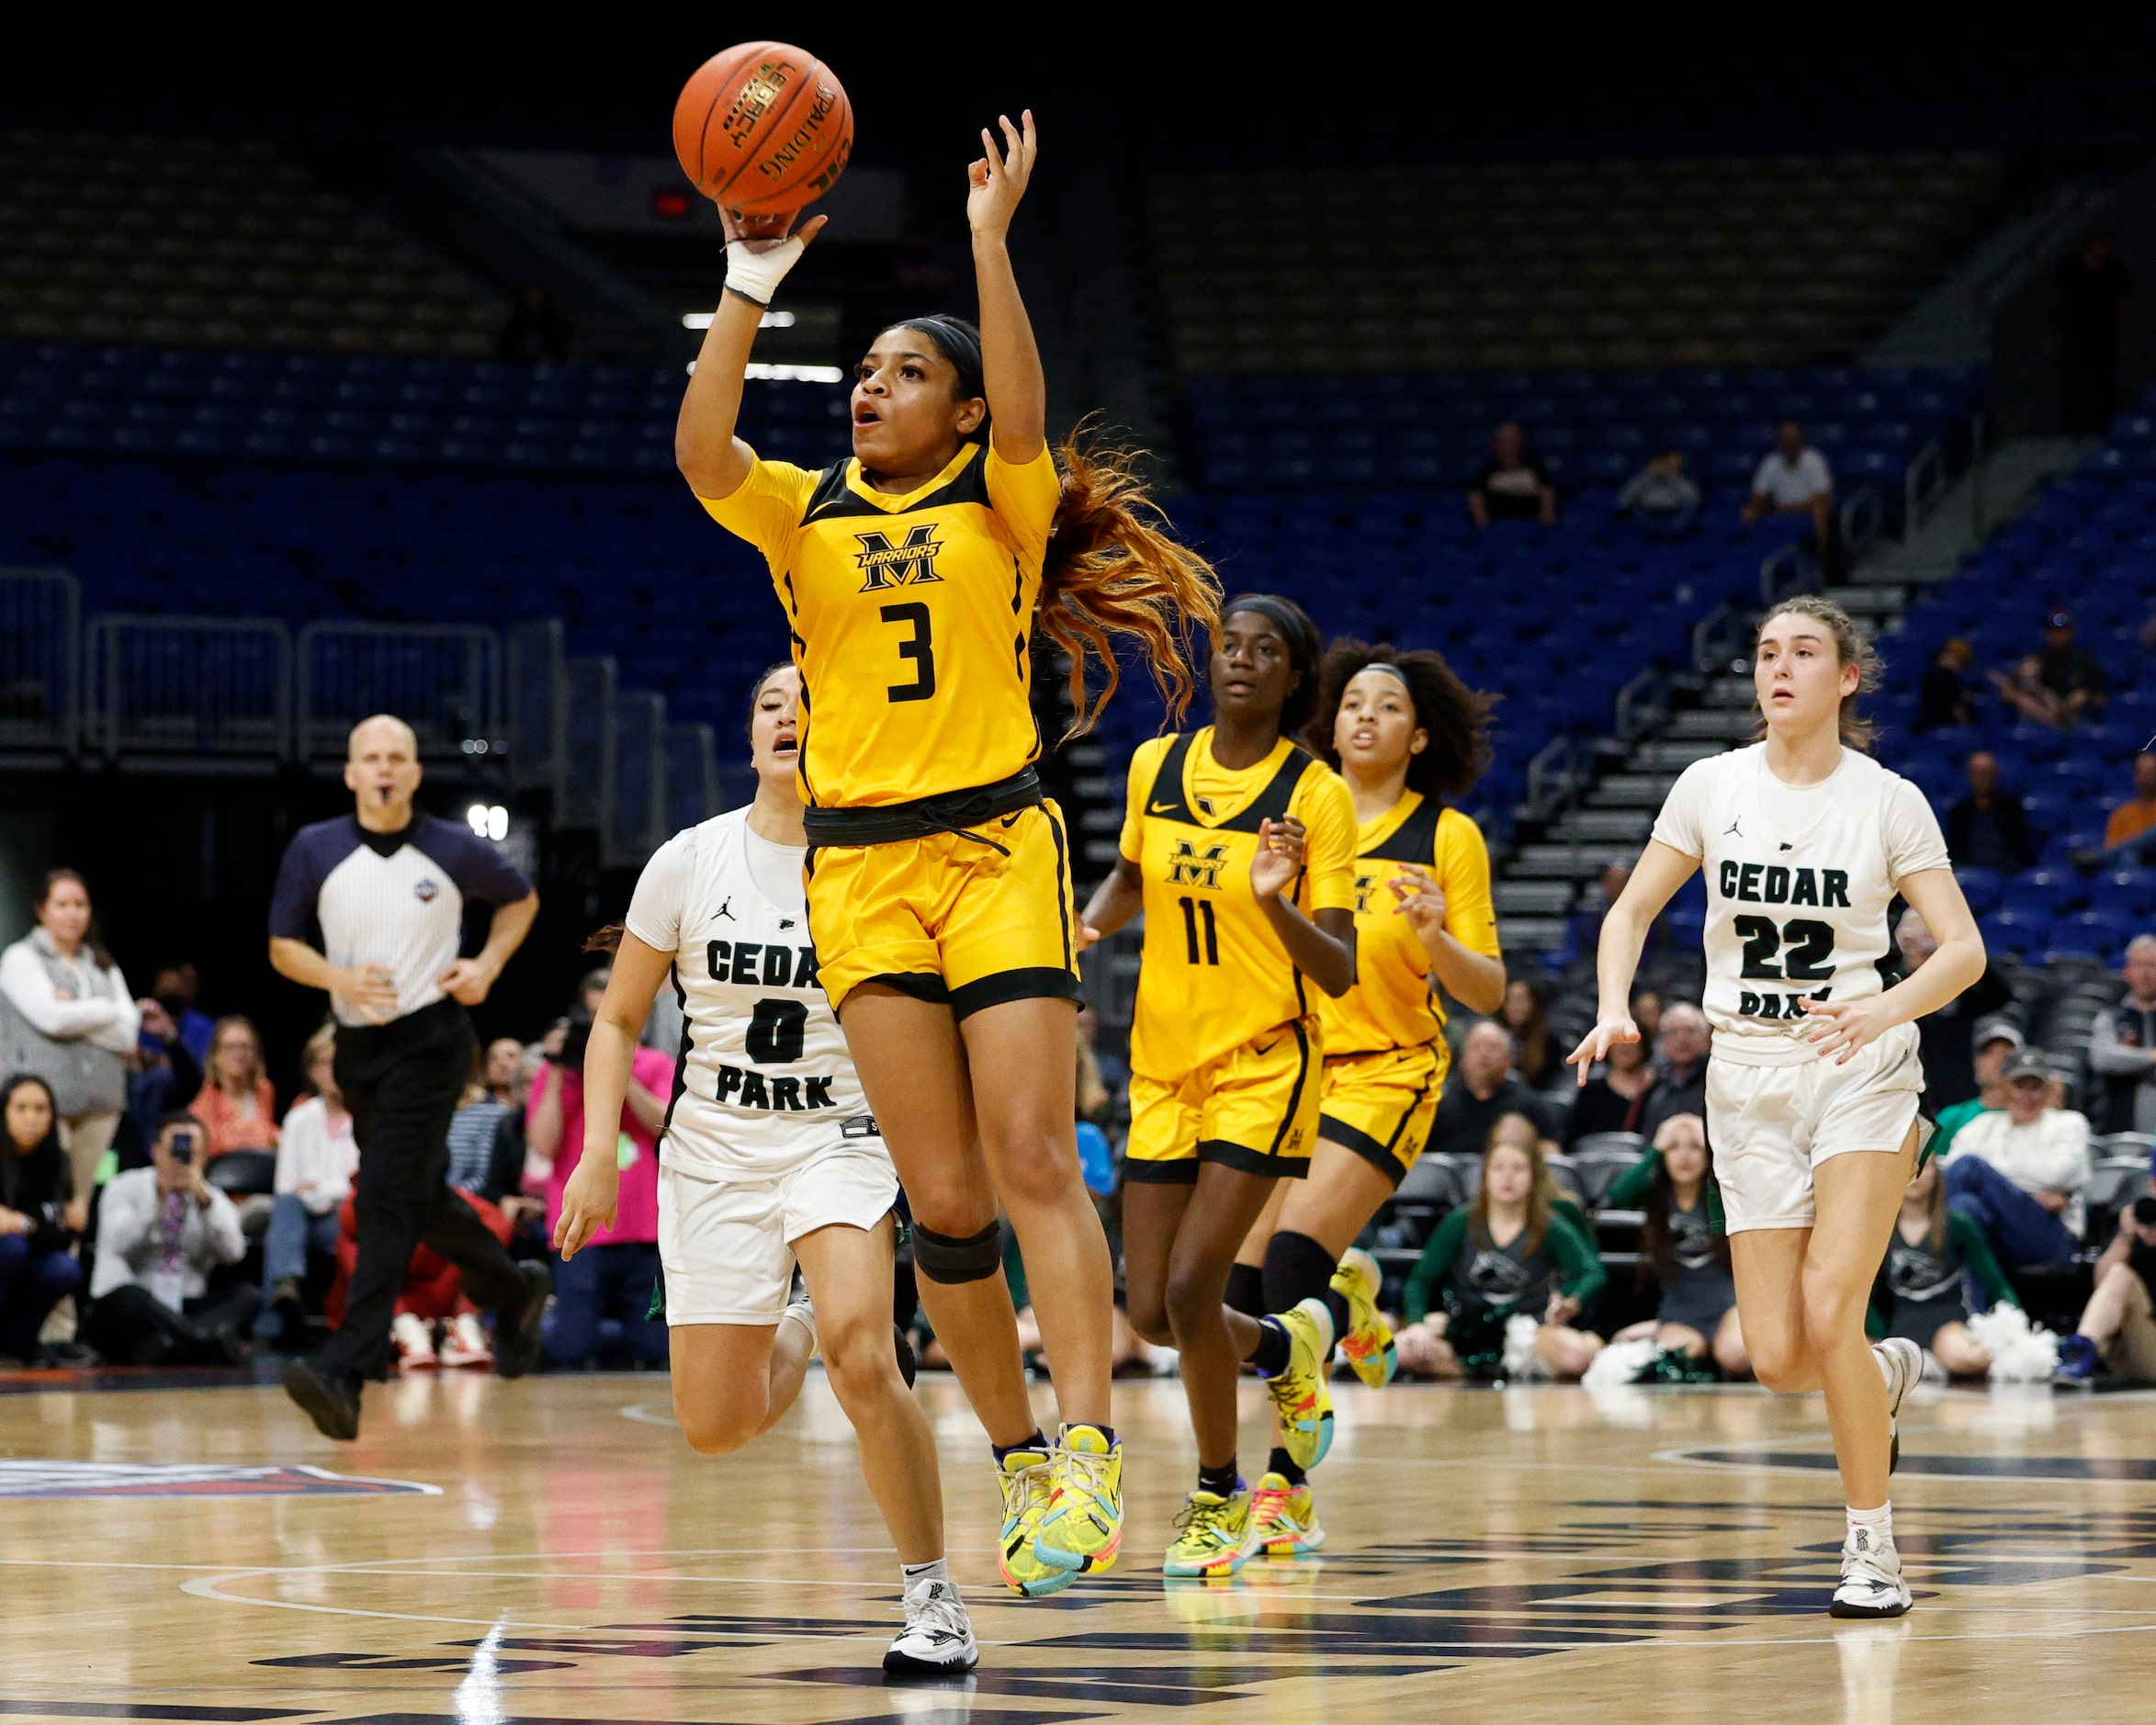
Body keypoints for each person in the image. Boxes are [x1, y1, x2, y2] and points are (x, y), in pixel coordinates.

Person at [676, 111, 1220, 1590]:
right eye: (862, 372)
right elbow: (699, 447)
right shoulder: (801, 513)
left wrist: (986, 247)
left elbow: (1034, 413)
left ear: (963, 414)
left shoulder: (1003, 498)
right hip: (855, 872)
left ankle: (1092, 1437)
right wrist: (747, 274)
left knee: (1035, 1149)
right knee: (943, 1204)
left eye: (904, 373)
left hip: (990, 845)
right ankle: (1020, 1460)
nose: (868, 388)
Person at [1569, 592, 1985, 1619]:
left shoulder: (1887, 800)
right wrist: (1615, 1004)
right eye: (1765, 653)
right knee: (1778, 1359)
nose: (1779, 668)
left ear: (1846, 678)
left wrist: (1881, 1005)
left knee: (1828, 1307)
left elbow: (1964, 951)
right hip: (1744, 1079)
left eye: (1804, 652)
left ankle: (1871, 1549)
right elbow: (1628, 912)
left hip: (1860, 1067)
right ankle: (1884, 1369)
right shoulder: (1711, 786)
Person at [556, 664, 976, 1673]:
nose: (789, 716)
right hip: (714, 1153)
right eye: (770, 705)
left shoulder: (880, 862)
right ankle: (801, 1319)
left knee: (864, 1356)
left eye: (811, 702)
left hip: (839, 1135)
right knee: (713, 1425)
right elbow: (615, 1020)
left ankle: (934, 1601)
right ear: (750, 738)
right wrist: (595, 1157)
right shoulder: (689, 860)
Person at [1078, 595, 1358, 1581]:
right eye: (1228, 645)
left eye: (1265, 650)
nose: (1240, 661)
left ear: (1294, 680)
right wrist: (1074, 933)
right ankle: (1286, 1354)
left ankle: (1215, 1495)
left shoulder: (1313, 794)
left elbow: (1336, 968)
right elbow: (1127, 879)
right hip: (1159, 1064)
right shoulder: (1154, 766)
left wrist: (1274, 902)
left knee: (1197, 1287)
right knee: (1153, 1312)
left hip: (1263, 1064)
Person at [1228, 637, 1505, 1562]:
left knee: (1284, 1273)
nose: (1364, 715)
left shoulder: (1445, 837)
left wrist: (1433, 937)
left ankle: (1285, 1488)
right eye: (1352, 702)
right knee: (1231, 1303)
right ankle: (1349, 1299)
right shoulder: (1297, 820)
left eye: (1386, 706)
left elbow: (1487, 993)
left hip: (1391, 1069)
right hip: (1290, 1069)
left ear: (1418, 737)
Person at [268, 713, 547, 1440]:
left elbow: (521, 901)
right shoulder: (315, 848)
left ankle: (347, 1368)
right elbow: (280, 946)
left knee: (385, 1196)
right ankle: (513, 1291)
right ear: (352, 773)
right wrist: (339, 978)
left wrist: (485, 966)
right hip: (359, 1049)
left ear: (416, 773)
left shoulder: (452, 848)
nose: (386, 768)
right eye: (372, 757)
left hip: (432, 1040)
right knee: (417, 1198)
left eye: (398, 757)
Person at [1394, 1123, 1607, 1381]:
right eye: (1498, 1168)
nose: (1507, 1177)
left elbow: (1591, 1272)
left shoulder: (1549, 1224)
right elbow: (1420, 1280)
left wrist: (1572, 1301)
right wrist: (1417, 1323)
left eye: (1518, 1169)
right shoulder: (1461, 1221)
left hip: (1529, 1331)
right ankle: (1486, 1370)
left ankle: (1488, 1370)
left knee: (1576, 1357)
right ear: (1485, 1175)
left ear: (1534, 1176)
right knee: (1402, 1352)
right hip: (1467, 1330)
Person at [530, 1002, 670, 1371]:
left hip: (645, 1227)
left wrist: (617, 1071)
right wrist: (560, 1066)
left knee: (658, 1349)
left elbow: (667, 1125)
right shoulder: (557, 1072)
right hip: (578, 1229)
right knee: (571, 1348)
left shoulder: (654, 1064)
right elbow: (543, 1144)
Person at [0, 869, 140, 1203]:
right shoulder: (21, 957)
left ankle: (71, 1256)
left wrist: (77, 1008)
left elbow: (128, 1033)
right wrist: (106, 1010)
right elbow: (51, 1019)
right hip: (43, 1104)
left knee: (81, 1201)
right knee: (43, 1194)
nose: (73, 913)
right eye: (62, 904)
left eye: (80, 904)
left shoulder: (102, 963)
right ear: (41, 910)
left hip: (101, 1101)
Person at [83, 1112, 254, 1366]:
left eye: (191, 1152)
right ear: (156, 1151)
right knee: (129, 1297)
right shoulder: (123, 1186)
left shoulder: (212, 1198)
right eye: (174, 1150)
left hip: (183, 1304)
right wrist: (158, 1201)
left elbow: (234, 1253)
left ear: (205, 1156)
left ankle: (176, 1344)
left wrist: (204, 1203)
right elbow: (115, 1244)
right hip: (130, 1307)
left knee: (248, 1295)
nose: (181, 1159)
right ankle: (202, 1343)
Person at [1608, 1112, 1746, 1377]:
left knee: (1732, 1355)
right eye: (1674, 1147)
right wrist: (1655, 1149)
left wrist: (1714, 1142)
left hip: (1728, 1304)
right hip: (1681, 1310)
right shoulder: (1656, 1197)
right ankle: (1659, 1330)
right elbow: (1617, 1196)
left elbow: (1744, 1180)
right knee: (1678, 1357)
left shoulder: (1721, 1194)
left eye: (1694, 1147)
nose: (1684, 1156)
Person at [1943, 1047, 2090, 1268]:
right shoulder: (1982, 1126)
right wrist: (2027, 1192)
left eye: (2035, 1088)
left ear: (2048, 1089)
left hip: (2049, 1234)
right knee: (1964, 1206)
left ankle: (1913, 1244)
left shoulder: (2069, 1124)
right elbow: (1947, 1171)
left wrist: (1988, 1177)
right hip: (1996, 1231)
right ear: (2003, 1087)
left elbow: (2055, 1174)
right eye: (2019, 1086)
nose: (2026, 1097)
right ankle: (1984, 1301)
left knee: (1971, 1167)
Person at [1873, 1157, 2015, 1380]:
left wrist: (2016, 1329)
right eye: (1907, 1165)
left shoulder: (1957, 1224)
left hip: (1945, 1321)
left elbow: (1995, 1283)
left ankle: (2001, 1356)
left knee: (1963, 1358)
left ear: (1936, 1174)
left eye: (1925, 1166)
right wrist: (1877, 1333)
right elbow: (1865, 1295)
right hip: (1899, 1322)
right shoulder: (1879, 1228)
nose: (1915, 1174)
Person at [260, 1024, 357, 1344]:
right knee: (286, 1207)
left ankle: (273, 1318)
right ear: (312, 1071)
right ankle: (286, 1289)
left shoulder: (368, 1116)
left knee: (294, 1219)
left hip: (348, 1218)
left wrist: (319, 1189)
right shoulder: (299, 1119)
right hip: (305, 1218)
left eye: (340, 1060)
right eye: (324, 1062)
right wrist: (324, 1191)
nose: (333, 1071)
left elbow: (358, 1183)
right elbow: (287, 1184)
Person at [0, 1075, 85, 1365]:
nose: (31, 1118)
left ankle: (16, 1346)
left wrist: (25, 1224)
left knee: (64, 1269)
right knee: (11, 1249)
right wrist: (38, 1225)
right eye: (21, 1108)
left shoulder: (57, 1161)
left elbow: (64, 1236)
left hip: (31, 1257)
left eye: (41, 1109)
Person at [1898, 907, 2011, 1115]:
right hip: (1912, 1091)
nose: (1919, 950)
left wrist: (1960, 949)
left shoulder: (1955, 987)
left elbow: (2000, 996)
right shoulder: (1898, 987)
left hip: (1957, 1090)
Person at [2055, 1195, 2156, 1383]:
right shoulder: (2142, 1223)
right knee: (2119, 1275)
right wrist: (2124, 1239)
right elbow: (2103, 1283)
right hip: (2134, 1344)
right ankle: (2079, 1355)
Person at [1428, 1021, 1561, 1158]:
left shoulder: (1531, 1107)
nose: (1484, 1054)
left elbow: (1551, 1159)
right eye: (1476, 1047)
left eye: (1493, 1047)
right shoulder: (1438, 1107)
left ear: (1509, 1060)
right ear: (1462, 1060)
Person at [2060, 231, 2132, 436]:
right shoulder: (2070, 269)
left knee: (2106, 386)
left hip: (2105, 337)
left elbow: (2123, 304)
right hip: (2077, 338)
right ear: (2091, 245)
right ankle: (2074, 431)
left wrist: (2120, 336)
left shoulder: (2115, 270)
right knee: (2075, 384)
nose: (2106, 249)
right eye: (2102, 244)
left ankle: (2106, 430)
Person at [2090, 935, 2156, 1135]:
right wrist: (2151, 1057)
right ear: (2127, 972)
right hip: (2118, 1126)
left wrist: (2128, 1060)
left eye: (2152, 966)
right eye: (2139, 966)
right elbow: (2102, 1057)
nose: (2146, 974)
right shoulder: (2111, 1017)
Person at [187, 1015, 279, 1159]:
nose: (239, 1054)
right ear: (216, 1055)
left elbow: (268, 1129)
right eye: (230, 1047)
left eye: (245, 1047)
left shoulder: (264, 1089)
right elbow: (211, 1146)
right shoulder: (206, 1098)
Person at [1930, 1018, 2021, 1159]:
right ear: (1977, 1064)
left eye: (2007, 1054)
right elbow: (1928, 1168)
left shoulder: (2027, 1117)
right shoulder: (1952, 1117)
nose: (1999, 1060)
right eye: (1990, 1053)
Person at [1742, 419, 1834, 549]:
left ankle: (1821, 562)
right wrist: (1758, 507)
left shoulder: (1815, 460)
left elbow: (1823, 499)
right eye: (1785, 439)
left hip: (1806, 511)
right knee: (1749, 513)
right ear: (1779, 442)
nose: (1789, 444)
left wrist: (1784, 508)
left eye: (1793, 439)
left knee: (1820, 512)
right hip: (1778, 510)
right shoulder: (1770, 462)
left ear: (1801, 440)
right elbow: (1757, 496)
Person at [1944, 751, 2032, 872]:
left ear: (1995, 775)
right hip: (1968, 871)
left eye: (1986, 773)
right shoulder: (1960, 810)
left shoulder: (2012, 807)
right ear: (1969, 776)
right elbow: (1955, 848)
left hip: (2006, 872)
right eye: (1977, 773)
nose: (1982, 778)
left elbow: (2020, 848)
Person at [1567, 1029, 1658, 1141]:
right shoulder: (1592, 1091)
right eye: (1617, 1040)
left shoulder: (1661, 1089)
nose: (1624, 1046)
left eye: (1630, 1039)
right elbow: (1571, 1137)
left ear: (1643, 1045)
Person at [1638, 1002, 1710, 1141]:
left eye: (1690, 1030)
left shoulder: (1719, 1080)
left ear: (1706, 1038)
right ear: (1663, 1041)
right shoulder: (1655, 1089)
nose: (1682, 1039)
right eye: (1673, 1032)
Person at [1468, 421, 1556, 527]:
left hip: (1531, 522)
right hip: (1497, 525)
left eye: (1512, 439)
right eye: (1503, 440)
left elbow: (1546, 491)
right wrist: (1481, 517)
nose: (1508, 445)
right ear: (1495, 443)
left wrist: (1547, 511)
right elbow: (1476, 495)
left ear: (1520, 441)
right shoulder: (1486, 470)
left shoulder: (1535, 467)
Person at [2034, 609, 2107, 722]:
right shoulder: (2038, 660)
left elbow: (2100, 697)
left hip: (2078, 718)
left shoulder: (2084, 660)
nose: (2057, 635)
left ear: (2071, 633)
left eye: (2062, 631)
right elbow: (2008, 693)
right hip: (2043, 717)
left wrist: (2085, 695)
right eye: (2053, 631)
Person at [1616, 450, 1700, 535]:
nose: (1663, 468)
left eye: (1668, 466)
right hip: (1644, 523)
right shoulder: (1641, 480)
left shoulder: (1685, 484)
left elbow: (1693, 502)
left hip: (1674, 523)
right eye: (1661, 464)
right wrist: (1646, 477)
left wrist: (1672, 478)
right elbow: (1621, 503)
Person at [148, 964, 215, 1065]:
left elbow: (201, 1067)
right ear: (154, 991)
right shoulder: (145, 1022)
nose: (170, 993)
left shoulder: (201, 1025)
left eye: (175, 988)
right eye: (165, 989)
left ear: (185, 991)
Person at [1984, 653, 2067, 729]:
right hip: (2018, 726)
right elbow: (1992, 677)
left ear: (2039, 672)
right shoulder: (2011, 688)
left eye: (2033, 668)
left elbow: (2056, 713)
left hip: (2044, 728)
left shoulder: (2045, 692)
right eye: (2026, 667)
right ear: (2020, 670)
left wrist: (2044, 698)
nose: (2029, 671)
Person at [1498, 977, 1554, 1086]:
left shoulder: (1548, 1040)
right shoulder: (1493, 1035)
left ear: (1533, 1003)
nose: (1515, 1006)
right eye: (1510, 999)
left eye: (1521, 1000)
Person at [496, 286, 571, 364]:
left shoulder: (552, 324)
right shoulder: (516, 324)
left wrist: (550, 358)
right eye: (532, 298)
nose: (534, 302)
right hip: (517, 367)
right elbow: (505, 348)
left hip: (545, 369)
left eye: (538, 299)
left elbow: (558, 348)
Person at [1913, 639, 1975, 732]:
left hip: (1928, 728)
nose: (1961, 668)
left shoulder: (1929, 674)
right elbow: (1957, 710)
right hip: (1946, 730)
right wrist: (1967, 729)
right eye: (1960, 662)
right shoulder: (1949, 678)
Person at [2105, 755, 2156, 852]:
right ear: (2135, 777)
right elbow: (2112, 849)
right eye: (2143, 773)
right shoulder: (2121, 814)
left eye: (2151, 772)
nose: (2147, 778)